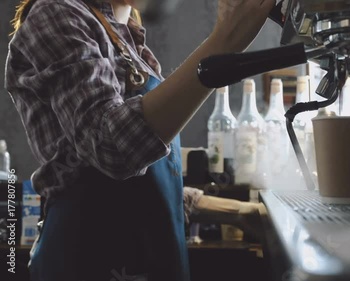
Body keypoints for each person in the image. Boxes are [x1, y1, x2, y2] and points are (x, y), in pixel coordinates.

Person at [5, 0, 274, 280]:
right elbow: (112, 149)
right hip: (88, 257)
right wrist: (222, 42)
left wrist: (240, 212)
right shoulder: (57, 13)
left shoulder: (126, 37)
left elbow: (140, 188)